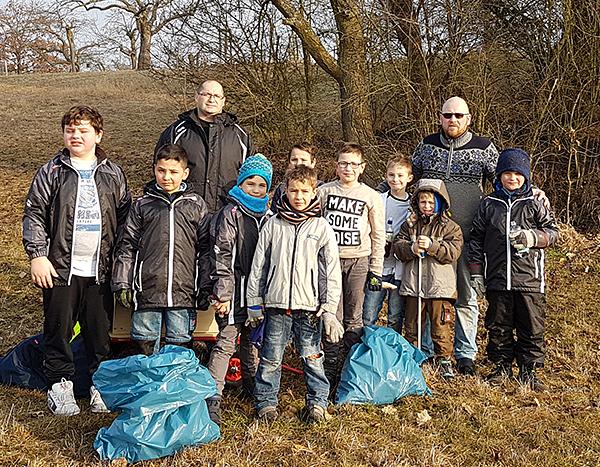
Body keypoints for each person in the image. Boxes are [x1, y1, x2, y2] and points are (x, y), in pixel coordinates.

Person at [23, 105, 131, 416]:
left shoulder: (113, 174)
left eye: (83, 131)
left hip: (100, 271)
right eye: (70, 130)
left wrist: (122, 264)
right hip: (60, 270)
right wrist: (38, 255)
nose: (76, 136)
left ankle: (100, 385)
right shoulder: (51, 172)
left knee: (99, 332)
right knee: (58, 330)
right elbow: (34, 214)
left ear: (99, 135)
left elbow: (126, 220)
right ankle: (60, 385)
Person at [247, 165, 344, 424]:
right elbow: (259, 265)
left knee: (312, 358)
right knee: (270, 358)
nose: (298, 196)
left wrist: (329, 308)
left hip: (310, 308)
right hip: (277, 305)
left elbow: (330, 271)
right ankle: (266, 404)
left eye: (304, 191)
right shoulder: (273, 224)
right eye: (293, 191)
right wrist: (254, 302)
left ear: (313, 193)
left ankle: (317, 404)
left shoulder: (321, 227)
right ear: (285, 191)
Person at [411, 96, 499, 375]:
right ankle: (427, 351)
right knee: (428, 294)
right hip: (430, 236)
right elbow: (406, 178)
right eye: (448, 115)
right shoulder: (426, 146)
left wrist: (533, 191)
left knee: (465, 296)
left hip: (468, 238)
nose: (453, 120)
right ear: (440, 117)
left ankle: (465, 353)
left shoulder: (484, 148)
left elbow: (505, 181)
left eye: (459, 115)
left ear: (468, 119)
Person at [468, 148, 557, 391]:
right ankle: (501, 366)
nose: (512, 178)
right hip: (497, 277)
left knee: (531, 326)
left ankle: (529, 370)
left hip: (529, 279)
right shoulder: (489, 204)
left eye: (518, 174)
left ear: (525, 177)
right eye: (507, 173)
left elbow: (553, 233)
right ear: (499, 175)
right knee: (498, 325)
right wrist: (476, 272)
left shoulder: (535, 203)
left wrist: (532, 237)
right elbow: (475, 239)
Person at [111, 144, 208, 356]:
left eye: (173, 172)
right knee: (144, 343)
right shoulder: (142, 205)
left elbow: (205, 249)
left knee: (180, 344)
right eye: (161, 170)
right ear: (154, 169)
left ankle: (175, 376)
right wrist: (122, 282)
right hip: (147, 289)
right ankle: (146, 376)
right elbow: (127, 245)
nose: (167, 177)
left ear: (185, 173)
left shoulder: (196, 205)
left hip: (183, 291)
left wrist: (205, 285)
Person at [204, 154, 273, 426]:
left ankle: (251, 383)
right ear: (241, 184)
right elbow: (221, 255)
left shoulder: (268, 216)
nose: (255, 190)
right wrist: (222, 293)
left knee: (251, 341)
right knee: (226, 342)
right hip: (233, 289)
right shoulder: (230, 214)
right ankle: (213, 396)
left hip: (258, 292)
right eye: (250, 184)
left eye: (261, 185)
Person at [318, 143, 386, 392]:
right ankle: (331, 365)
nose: (348, 168)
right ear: (336, 166)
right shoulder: (324, 192)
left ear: (362, 167)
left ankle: (351, 366)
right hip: (330, 261)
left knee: (354, 315)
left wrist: (376, 270)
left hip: (359, 260)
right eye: (343, 163)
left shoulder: (371, 196)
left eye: (353, 164)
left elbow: (378, 235)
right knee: (331, 313)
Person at [393, 179, 463, 379]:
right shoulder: (409, 225)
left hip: (439, 287)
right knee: (412, 325)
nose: (427, 206)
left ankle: (444, 360)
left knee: (441, 326)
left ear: (440, 203)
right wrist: (411, 248)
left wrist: (432, 246)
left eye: (431, 202)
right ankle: (413, 358)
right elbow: (398, 247)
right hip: (414, 286)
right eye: (423, 202)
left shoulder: (451, 228)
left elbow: (453, 252)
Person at [155, 79, 254, 212]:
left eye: (217, 96)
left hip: (227, 213)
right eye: (206, 94)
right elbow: (160, 170)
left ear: (223, 101)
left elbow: (252, 176)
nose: (211, 99)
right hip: (185, 213)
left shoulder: (240, 136)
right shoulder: (176, 132)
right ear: (196, 97)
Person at [362, 154, 413, 331]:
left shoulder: (413, 205)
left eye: (400, 175)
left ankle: (391, 345)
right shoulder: (378, 199)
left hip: (400, 270)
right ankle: (365, 343)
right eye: (391, 175)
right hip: (378, 268)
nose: (395, 179)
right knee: (369, 311)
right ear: (386, 176)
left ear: (409, 178)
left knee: (395, 315)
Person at [271, 142, 317, 213]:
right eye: (294, 160)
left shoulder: (322, 189)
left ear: (313, 162)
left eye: (303, 160)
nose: (298, 163)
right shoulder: (281, 189)